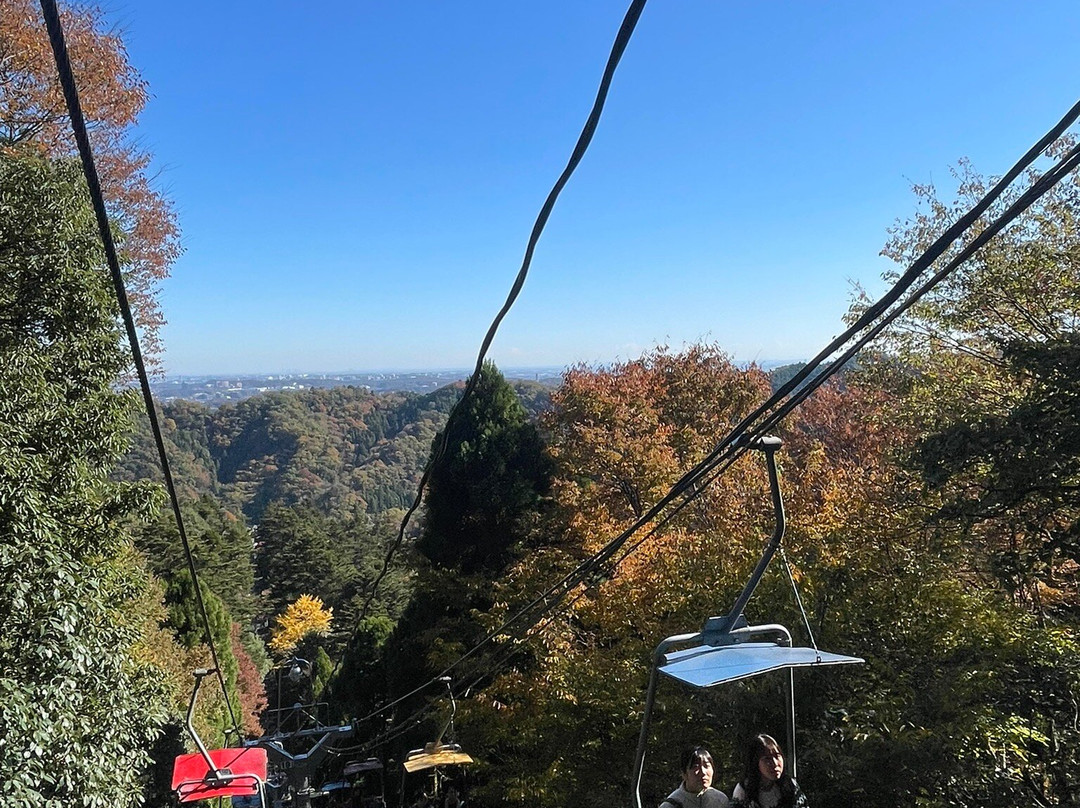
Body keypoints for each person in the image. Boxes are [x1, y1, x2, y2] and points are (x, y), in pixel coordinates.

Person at [730, 734, 808, 808]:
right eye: (767, 759)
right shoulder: (744, 790)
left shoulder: (789, 785)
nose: (775, 763)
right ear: (755, 763)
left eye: (777, 756)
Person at [659, 746, 730, 808]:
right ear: (684, 774)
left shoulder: (720, 800)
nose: (703, 772)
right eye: (695, 767)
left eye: (706, 766)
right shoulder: (670, 805)